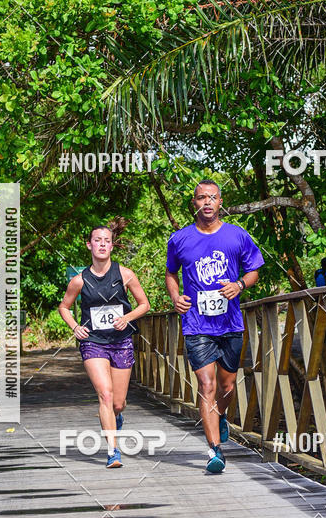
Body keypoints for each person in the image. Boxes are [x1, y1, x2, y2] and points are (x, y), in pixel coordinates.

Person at [166, 180, 264, 474]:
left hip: (230, 322)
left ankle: (220, 415)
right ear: (194, 204)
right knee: (206, 385)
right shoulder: (179, 239)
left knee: (227, 386)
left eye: (212, 197)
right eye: (201, 198)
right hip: (197, 324)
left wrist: (239, 285)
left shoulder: (237, 235)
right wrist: (175, 297)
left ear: (221, 202)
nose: (207, 202)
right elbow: (171, 273)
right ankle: (214, 450)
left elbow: (254, 270)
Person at [58, 225, 150, 468]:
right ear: (89, 245)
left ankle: (116, 416)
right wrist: (75, 326)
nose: (101, 244)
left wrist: (127, 318)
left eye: (106, 241)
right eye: (97, 240)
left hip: (121, 342)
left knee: (118, 402)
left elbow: (144, 304)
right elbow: (64, 307)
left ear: (111, 246)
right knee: (105, 395)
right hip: (93, 342)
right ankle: (113, 451)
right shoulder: (79, 280)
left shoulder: (126, 274)